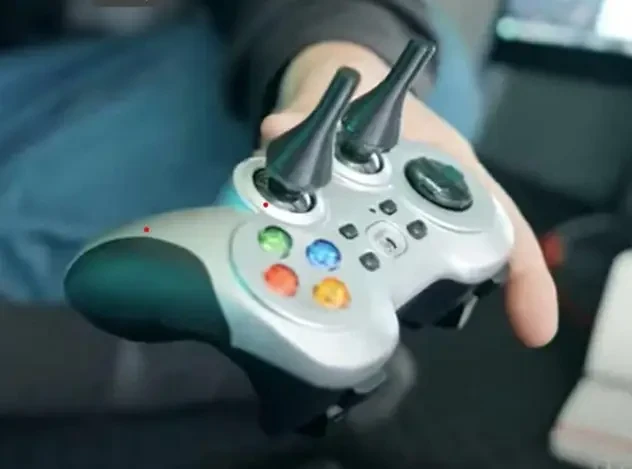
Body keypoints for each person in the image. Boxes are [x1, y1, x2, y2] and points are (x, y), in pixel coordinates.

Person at [0, 0, 558, 467]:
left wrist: (331, 51)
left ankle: (268, 343)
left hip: (57, 62)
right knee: (45, 239)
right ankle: (225, 359)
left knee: (430, 81)